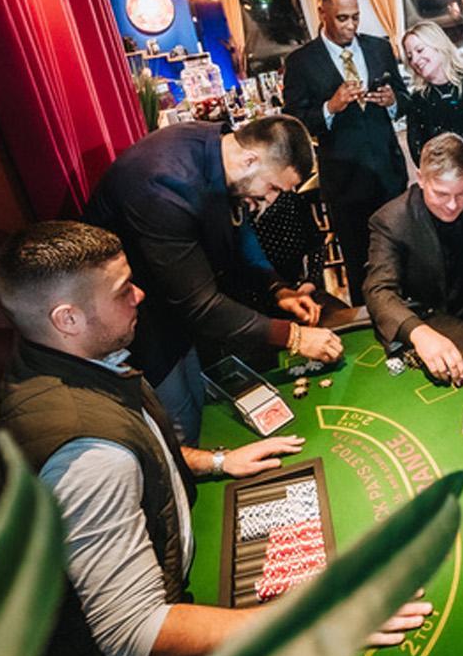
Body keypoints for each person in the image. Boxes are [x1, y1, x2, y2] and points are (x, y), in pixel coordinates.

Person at [0, 221, 432, 656]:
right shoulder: (88, 455)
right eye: (122, 290)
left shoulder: (55, 366)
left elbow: (139, 446)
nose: (140, 295)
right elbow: (137, 640)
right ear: (67, 319)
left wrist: (216, 461)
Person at [84, 115, 341, 445]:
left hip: (175, 308)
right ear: (251, 160)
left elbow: (239, 229)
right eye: (274, 188)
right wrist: (294, 336)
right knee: (180, 424)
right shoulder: (163, 186)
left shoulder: (221, 150)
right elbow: (201, 306)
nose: (272, 200)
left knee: (198, 403)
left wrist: (277, 288)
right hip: (135, 324)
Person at [280, 0, 407, 302]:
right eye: (342, 18)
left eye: (355, 17)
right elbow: (295, 124)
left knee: (404, 256)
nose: (351, 26)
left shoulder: (379, 48)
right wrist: (330, 107)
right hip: (345, 183)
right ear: (322, 12)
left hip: (390, 175)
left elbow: (405, 97)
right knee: (360, 265)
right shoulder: (300, 62)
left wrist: (393, 102)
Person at [364, 132, 463, 384]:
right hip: (429, 324)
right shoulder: (391, 220)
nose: (452, 205)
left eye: (462, 193)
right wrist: (418, 332)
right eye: (441, 194)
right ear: (420, 179)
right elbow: (378, 291)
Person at [397, 21, 463, 186]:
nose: (415, 60)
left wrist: (444, 149)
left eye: (420, 50)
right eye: (410, 56)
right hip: (444, 184)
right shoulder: (418, 100)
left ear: (439, 46)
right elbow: (420, 154)